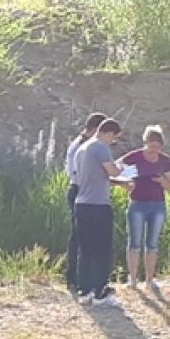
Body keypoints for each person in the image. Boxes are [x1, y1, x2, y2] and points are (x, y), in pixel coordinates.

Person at [74, 118, 124, 307]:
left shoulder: (82, 149)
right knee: (102, 249)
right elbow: (113, 171)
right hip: (98, 205)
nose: (112, 142)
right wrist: (122, 168)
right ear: (109, 133)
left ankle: (85, 290)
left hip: (82, 203)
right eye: (114, 138)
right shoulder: (100, 147)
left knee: (85, 249)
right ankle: (100, 292)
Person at [118, 125, 170, 288]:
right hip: (137, 203)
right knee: (134, 242)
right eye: (151, 146)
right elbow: (117, 168)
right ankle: (133, 279)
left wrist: (161, 180)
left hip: (158, 204)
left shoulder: (164, 160)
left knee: (153, 243)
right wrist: (126, 182)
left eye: (157, 147)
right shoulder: (134, 156)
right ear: (145, 142)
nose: (153, 150)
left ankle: (150, 279)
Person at [64, 113, 108, 289]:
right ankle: (75, 278)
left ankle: (84, 278)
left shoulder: (84, 145)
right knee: (79, 237)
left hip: (83, 190)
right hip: (80, 190)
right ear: (95, 129)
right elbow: (80, 174)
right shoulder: (82, 147)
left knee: (83, 237)